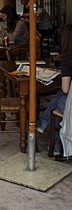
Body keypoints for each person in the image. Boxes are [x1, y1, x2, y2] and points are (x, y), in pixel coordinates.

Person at [36, 25, 72, 156]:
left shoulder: (67, 59)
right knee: (59, 98)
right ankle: (57, 145)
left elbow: (65, 88)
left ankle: (56, 146)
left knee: (58, 103)